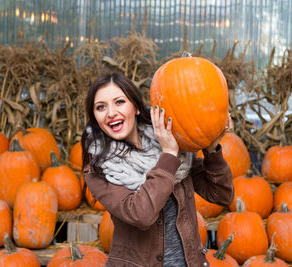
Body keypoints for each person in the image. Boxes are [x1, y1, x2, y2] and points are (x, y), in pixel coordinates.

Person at [81, 72, 234, 267]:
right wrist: (168, 154)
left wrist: (212, 150)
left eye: (119, 102)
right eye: (100, 107)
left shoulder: (174, 145)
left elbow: (221, 195)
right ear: (95, 116)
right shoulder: (99, 168)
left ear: (136, 107)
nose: (111, 113)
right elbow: (141, 214)